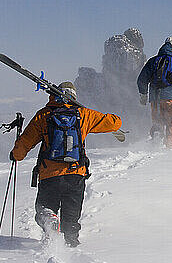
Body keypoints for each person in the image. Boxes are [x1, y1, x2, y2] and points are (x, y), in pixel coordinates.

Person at [10, 81, 122, 247]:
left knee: (44, 209)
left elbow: (26, 142)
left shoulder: (43, 115)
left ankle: (49, 224)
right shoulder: (83, 114)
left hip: (49, 176)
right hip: (75, 175)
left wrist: (16, 155)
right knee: (71, 218)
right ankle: (71, 246)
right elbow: (115, 123)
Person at [137, 36, 172, 149]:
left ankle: (155, 143)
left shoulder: (152, 61)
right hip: (171, 99)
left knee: (157, 121)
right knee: (171, 124)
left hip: (155, 99)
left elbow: (141, 79)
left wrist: (143, 95)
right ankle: (169, 148)